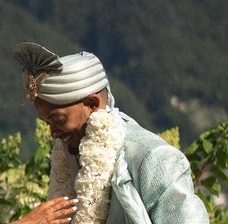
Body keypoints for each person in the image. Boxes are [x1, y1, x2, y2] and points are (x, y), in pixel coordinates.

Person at [13, 42, 209, 224]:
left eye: (58, 120)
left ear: (92, 104)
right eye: (47, 124)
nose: (53, 134)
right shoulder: (67, 159)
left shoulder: (154, 159)